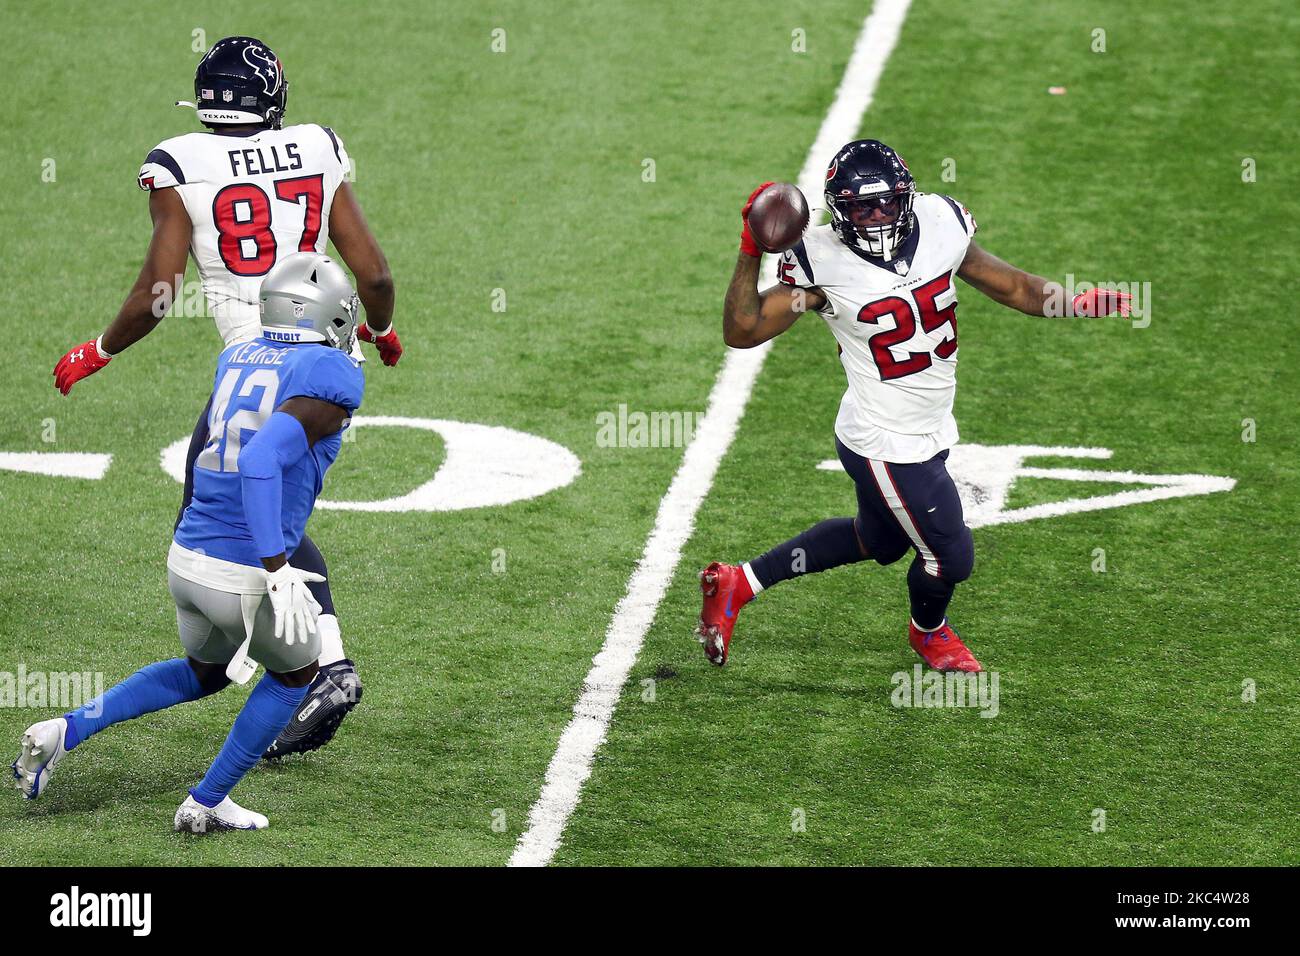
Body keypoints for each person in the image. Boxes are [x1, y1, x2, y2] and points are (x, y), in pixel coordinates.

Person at [50, 36, 401, 755]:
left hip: (254, 358)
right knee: (271, 505)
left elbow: (159, 292)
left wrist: (99, 350)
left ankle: (297, 665)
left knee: (222, 509)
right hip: (327, 352)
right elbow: (376, 274)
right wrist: (382, 331)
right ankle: (305, 660)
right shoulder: (315, 145)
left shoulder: (182, 162)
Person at [698, 139, 1131, 672]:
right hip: (883, 438)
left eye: (886, 202)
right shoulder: (819, 263)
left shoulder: (942, 223)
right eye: (861, 206)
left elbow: (1015, 286)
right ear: (839, 211)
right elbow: (742, 331)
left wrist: (1072, 302)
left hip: (924, 425)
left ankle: (737, 583)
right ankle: (930, 633)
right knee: (951, 556)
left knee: (876, 539)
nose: (877, 215)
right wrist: (750, 248)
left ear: (908, 196)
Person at [15, 252, 365, 832]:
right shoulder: (331, 378)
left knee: (203, 673)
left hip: (191, 556)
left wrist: (200, 531)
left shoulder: (238, 354)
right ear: (320, 316)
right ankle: (205, 802)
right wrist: (276, 566)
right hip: (248, 570)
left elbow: (205, 446)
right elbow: (258, 460)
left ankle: (63, 731)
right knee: (296, 677)